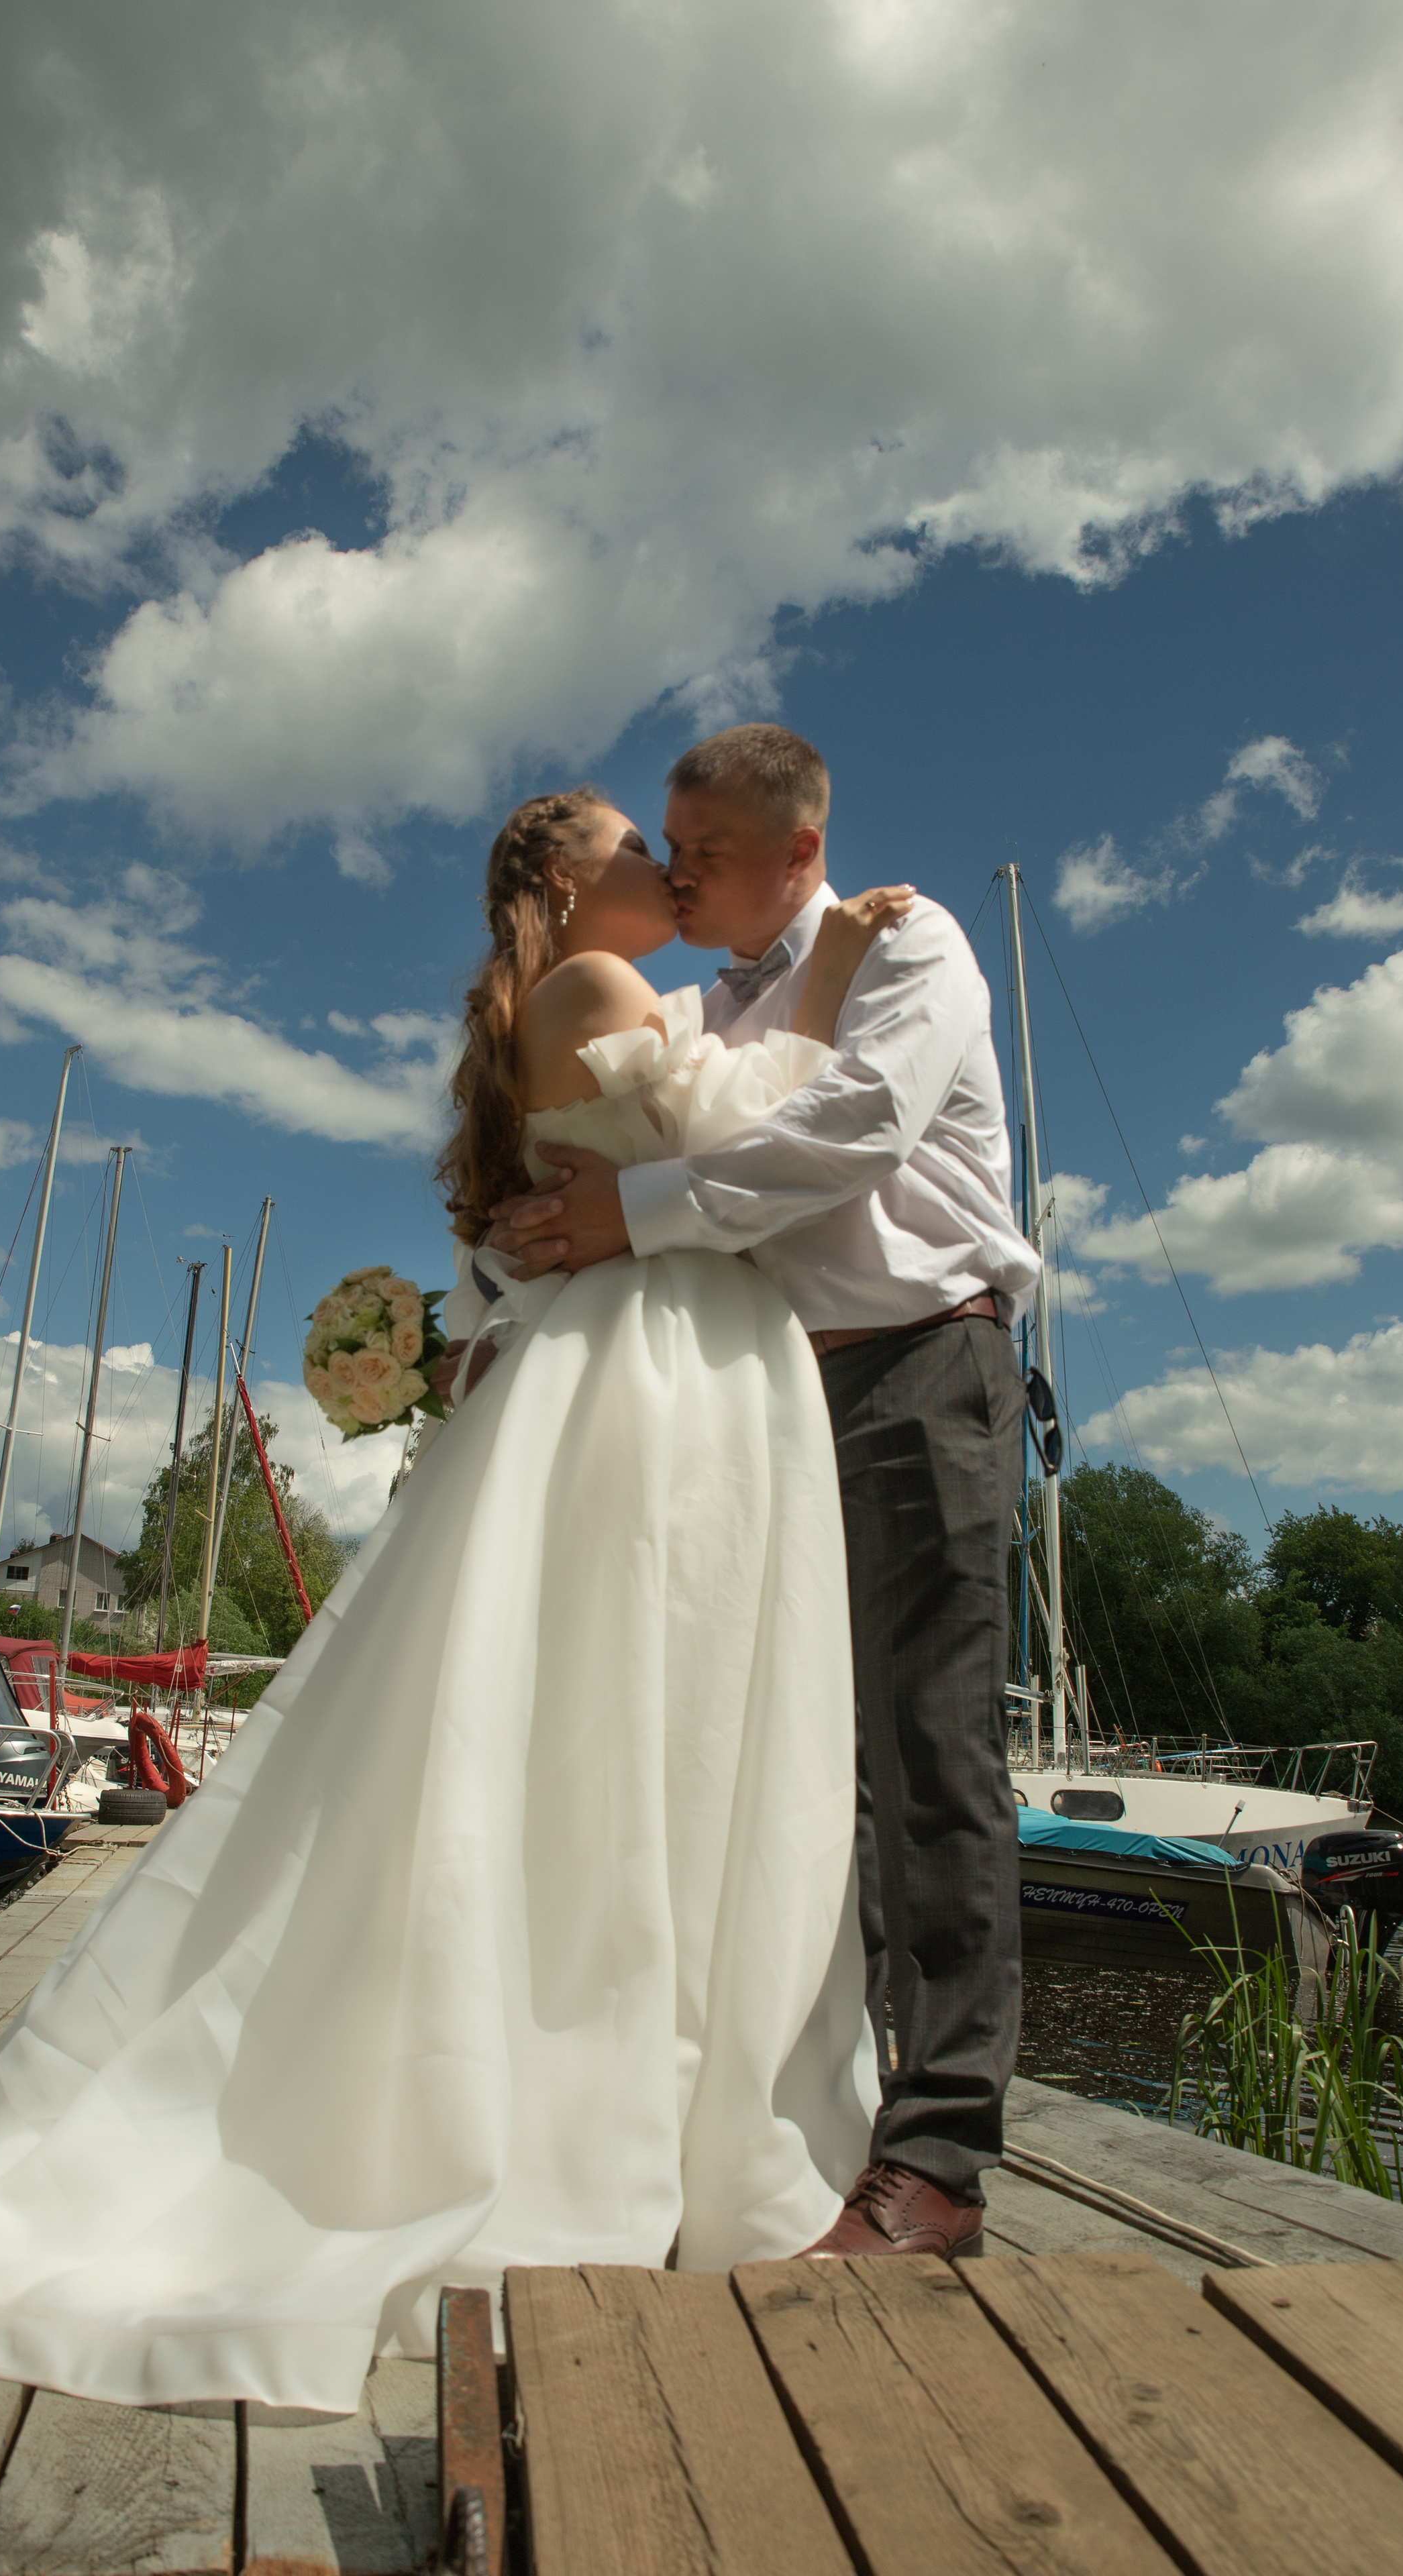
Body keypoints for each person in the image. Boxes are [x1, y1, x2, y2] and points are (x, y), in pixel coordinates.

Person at [0, 786, 909, 2414]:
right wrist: (831, 981)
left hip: (659, 1356)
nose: (659, 867)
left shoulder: (565, 1005)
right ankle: (619, 2104)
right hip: (656, 1376)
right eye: (627, 846)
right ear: (565, 877)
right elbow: (745, 1146)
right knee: (642, 1719)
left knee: (627, 1723)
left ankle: (635, 2088)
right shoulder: (596, 986)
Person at [486, 724, 1039, 2261]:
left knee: (929, 1756)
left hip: (920, 1365)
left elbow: (852, 1128)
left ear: (798, 848)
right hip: (767, 1411)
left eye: (705, 851)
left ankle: (936, 2163)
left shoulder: (908, 946)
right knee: (793, 1770)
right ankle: (808, 2126)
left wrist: (633, 1214)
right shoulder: (694, 1006)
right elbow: (595, 1135)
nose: (675, 874)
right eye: (664, 846)